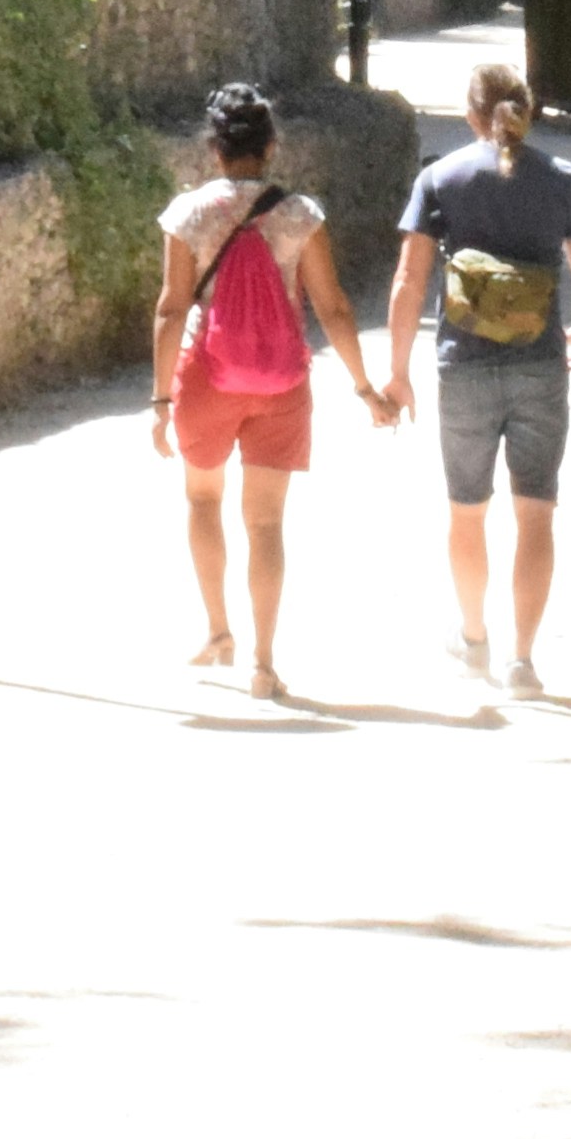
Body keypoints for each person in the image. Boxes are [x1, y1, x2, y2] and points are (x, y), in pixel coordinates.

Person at [147, 83, 380, 700]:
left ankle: (219, 632)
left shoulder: (188, 215)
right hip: (282, 382)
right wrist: (364, 388)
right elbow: (332, 307)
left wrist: (160, 402)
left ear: (214, 150)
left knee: (202, 501)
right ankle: (264, 663)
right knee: (268, 524)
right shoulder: (301, 216)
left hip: (206, 376)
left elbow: (172, 310)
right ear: (271, 146)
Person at [382, 58, 571, 692]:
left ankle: (474, 637)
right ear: (525, 111)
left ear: (471, 114)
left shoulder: (439, 178)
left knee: (467, 512)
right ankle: (522, 660)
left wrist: (398, 373)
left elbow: (407, 281)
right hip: (539, 364)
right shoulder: (561, 179)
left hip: (465, 366)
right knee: (536, 514)